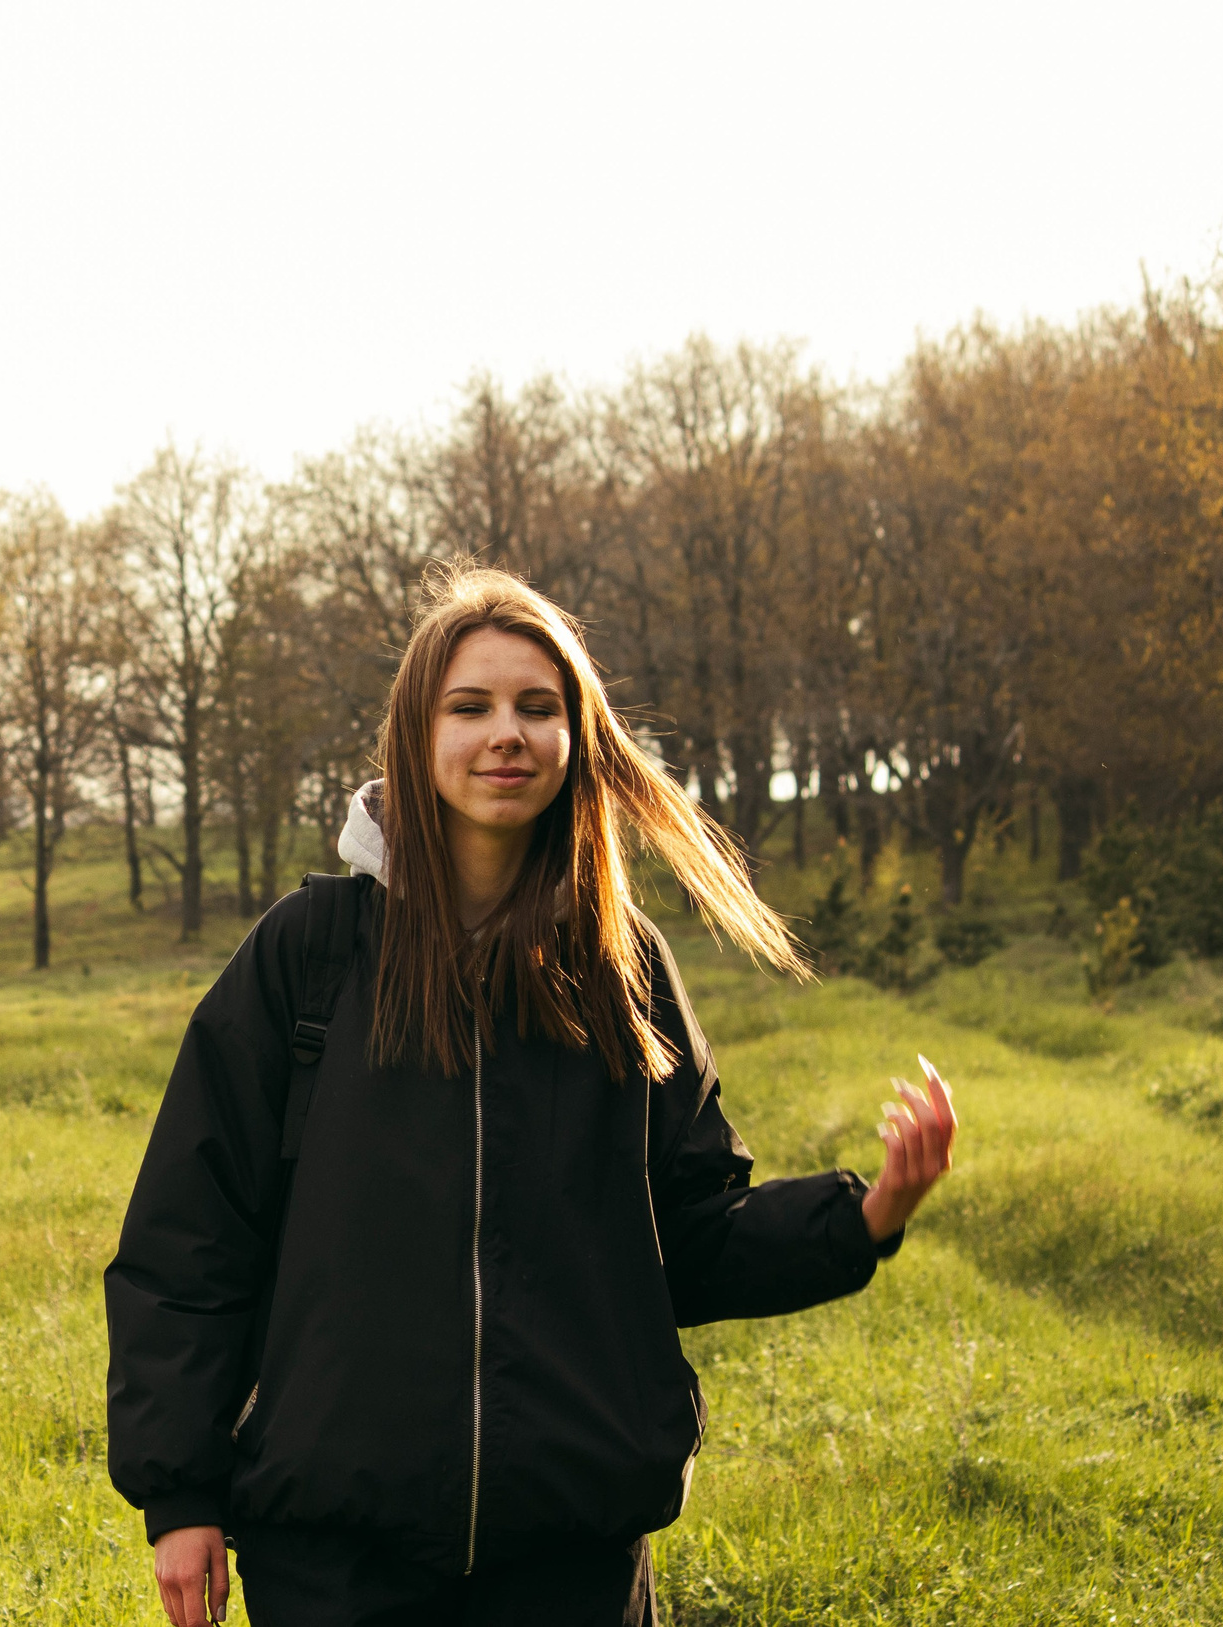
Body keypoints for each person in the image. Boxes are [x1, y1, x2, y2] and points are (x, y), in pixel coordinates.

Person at [104, 567, 958, 1627]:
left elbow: (684, 1236)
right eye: (470, 707)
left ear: (576, 738)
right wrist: (179, 1493)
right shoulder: (309, 955)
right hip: (332, 1551)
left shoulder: (618, 965)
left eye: (536, 708)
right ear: (415, 738)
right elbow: (188, 1242)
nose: (504, 733)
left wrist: (863, 1218)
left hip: (572, 1552)